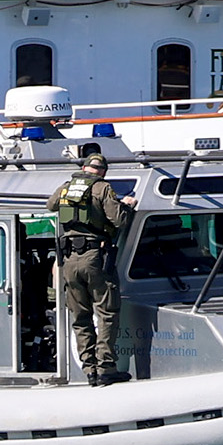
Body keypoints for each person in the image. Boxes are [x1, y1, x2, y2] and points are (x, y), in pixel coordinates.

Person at [46, 153, 137, 385]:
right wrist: (127, 206)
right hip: (95, 257)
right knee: (106, 313)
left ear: (85, 168)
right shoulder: (103, 188)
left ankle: (89, 369)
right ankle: (106, 368)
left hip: (69, 260)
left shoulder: (66, 187)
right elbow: (119, 220)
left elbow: (50, 205)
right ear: (103, 171)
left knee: (80, 316)